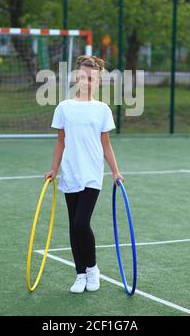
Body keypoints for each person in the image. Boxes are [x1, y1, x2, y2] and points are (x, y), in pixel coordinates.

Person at [45, 55, 124, 293]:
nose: (86, 81)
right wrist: (54, 169)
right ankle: (80, 275)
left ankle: (92, 269)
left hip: (91, 174)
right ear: (76, 78)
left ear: (97, 81)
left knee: (81, 223)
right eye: (82, 77)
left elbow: (106, 144)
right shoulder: (64, 108)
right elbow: (60, 142)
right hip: (70, 174)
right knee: (73, 226)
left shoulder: (102, 110)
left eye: (91, 78)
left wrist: (115, 172)